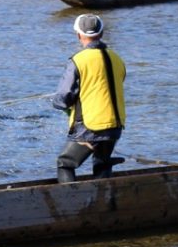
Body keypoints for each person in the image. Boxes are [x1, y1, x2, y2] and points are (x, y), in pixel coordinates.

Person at [52, 14, 126, 183]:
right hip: (115, 126)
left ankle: (70, 204)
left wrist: (56, 102)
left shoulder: (78, 60)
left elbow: (63, 98)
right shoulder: (116, 58)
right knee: (101, 164)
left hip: (89, 129)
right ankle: (103, 202)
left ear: (79, 34)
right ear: (101, 33)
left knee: (65, 163)